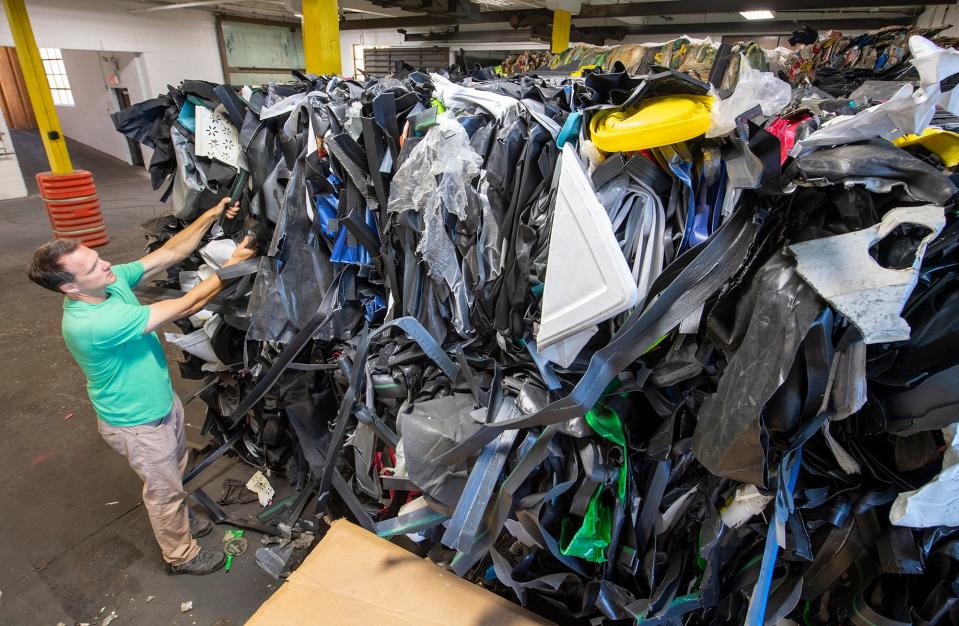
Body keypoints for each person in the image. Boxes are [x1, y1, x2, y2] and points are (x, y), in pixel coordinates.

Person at [27, 197, 256, 575]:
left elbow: (169, 253)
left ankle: (179, 521)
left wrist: (210, 215)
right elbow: (186, 306)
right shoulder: (93, 321)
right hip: (138, 423)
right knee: (163, 491)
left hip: (159, 404)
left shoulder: (106, 284)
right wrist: (232, 268)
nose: (105, 264)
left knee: (173, 471)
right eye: (92, 267)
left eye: (97, 256)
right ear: (70, 288)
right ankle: (181, 555)